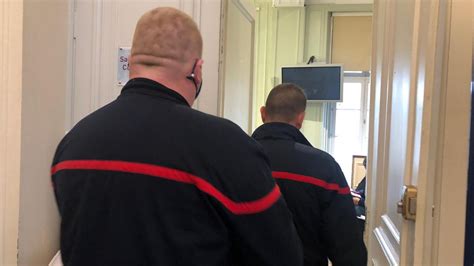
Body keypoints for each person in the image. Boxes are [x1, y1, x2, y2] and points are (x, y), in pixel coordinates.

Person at [51, 7, 302, 266]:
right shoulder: (228, 146)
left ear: (133, 62)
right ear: (197, 70)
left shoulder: (72, 146)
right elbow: (283, 256)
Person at [252, 83, 367, 266]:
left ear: (263, 113)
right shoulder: (324, 168)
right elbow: (348, 250)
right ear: (301, 118)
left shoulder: (233, 159)